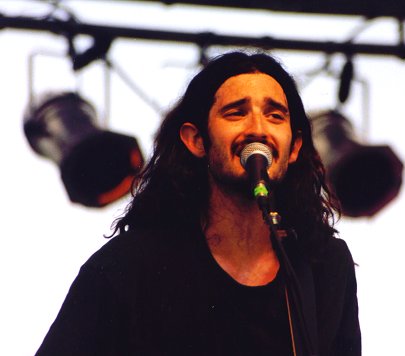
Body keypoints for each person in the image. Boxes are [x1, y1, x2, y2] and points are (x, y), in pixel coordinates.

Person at [36, 51, 361, 355]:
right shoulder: (127, 266)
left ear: (294, 148)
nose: (258, 129)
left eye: (275, 115)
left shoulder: (325, 266)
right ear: (196, 140)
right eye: (236, 113)